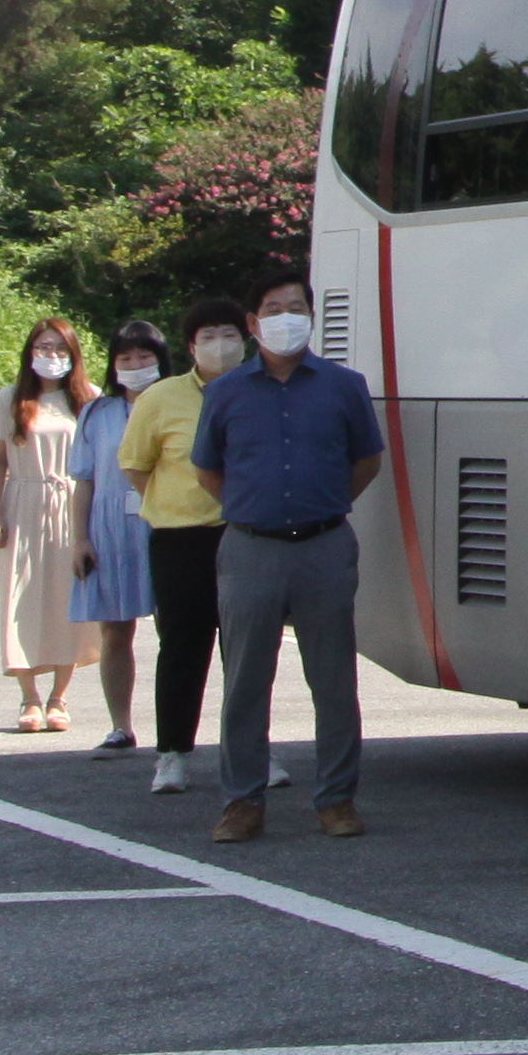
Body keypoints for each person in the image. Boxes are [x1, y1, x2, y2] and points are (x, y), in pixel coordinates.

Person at [193, 269, 388, 841]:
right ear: (254, 324)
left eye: (296, 307)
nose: (287, 317)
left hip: (325, 545)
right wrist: (250, 507)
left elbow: (366, 460)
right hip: (250, 547)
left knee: (332, 679)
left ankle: (336, 799)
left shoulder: (343, 386)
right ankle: (242, 802)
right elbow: (207, 468)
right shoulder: (226, 391)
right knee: (246, 681)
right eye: (274, 308)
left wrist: (324, 505)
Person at [124, 297, 244, 796]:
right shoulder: (161, 397)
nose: (219, 344)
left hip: (244, 536)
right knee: (182, 648)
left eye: (229, 333)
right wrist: (176, 504)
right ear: (191, 346)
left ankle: (250, 750)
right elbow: (135, 465)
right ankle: (171, 753)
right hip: (180, 539)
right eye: (207, 336)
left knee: (245, 650)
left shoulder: (260, 390)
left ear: (247, 338)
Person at [0, 322, 93, 731]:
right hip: (24, 502)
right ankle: (28, 697)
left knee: (69, 599)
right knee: (21, 598)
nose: (51, 355)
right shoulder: (12, 399)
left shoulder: (88, 400)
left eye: (59, 347)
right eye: (42, 347)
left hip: (71, 504)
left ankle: (59, 698)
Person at [69, 319, 164, 756]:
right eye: (125, 357)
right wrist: (79, 538)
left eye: (144, 356)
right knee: (114, 630)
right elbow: (83, 480)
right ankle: (120, 725)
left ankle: (175, 724)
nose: (135, 365)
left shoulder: (179, 402)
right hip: (110, 527)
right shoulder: (97, 412)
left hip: (167, 523)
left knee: (177, 631)